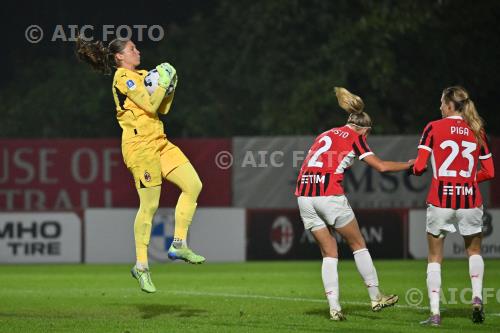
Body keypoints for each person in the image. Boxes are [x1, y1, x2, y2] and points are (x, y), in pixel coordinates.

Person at [76, 37, 205, 294]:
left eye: (136, 47)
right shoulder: (123, 78)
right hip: (139, 148)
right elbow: (148, 104)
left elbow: (162, 108)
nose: (138, 51)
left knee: (193, 185)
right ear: (119, 57)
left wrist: (170, 87)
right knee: (150, 205)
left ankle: (178, 243)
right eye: (132, 49)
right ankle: (141, 266)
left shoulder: (145, 75)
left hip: (160, 142)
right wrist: (163, 85)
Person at [295, 87, 414, 321]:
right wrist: (409, 164)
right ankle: (376, 296)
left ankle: (334, 308)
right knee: (358, 243)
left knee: (329, 253)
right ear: (365, 130)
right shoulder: (356, 138)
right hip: (328, 194)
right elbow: (380, 166)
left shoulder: (326, 133)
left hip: (304, 195)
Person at [412, 86, 494, 326]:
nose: (439, 107)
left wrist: (417, 169)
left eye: (441, 103)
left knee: (435, 257)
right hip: (470, 198)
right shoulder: (477, 130)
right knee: (474, 252)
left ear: (449, 105)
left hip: (441, 199)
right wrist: (466, 179)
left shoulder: (433, 127)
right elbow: (489, 172)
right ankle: (477, 299)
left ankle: (435, 314)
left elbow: (419, 167)